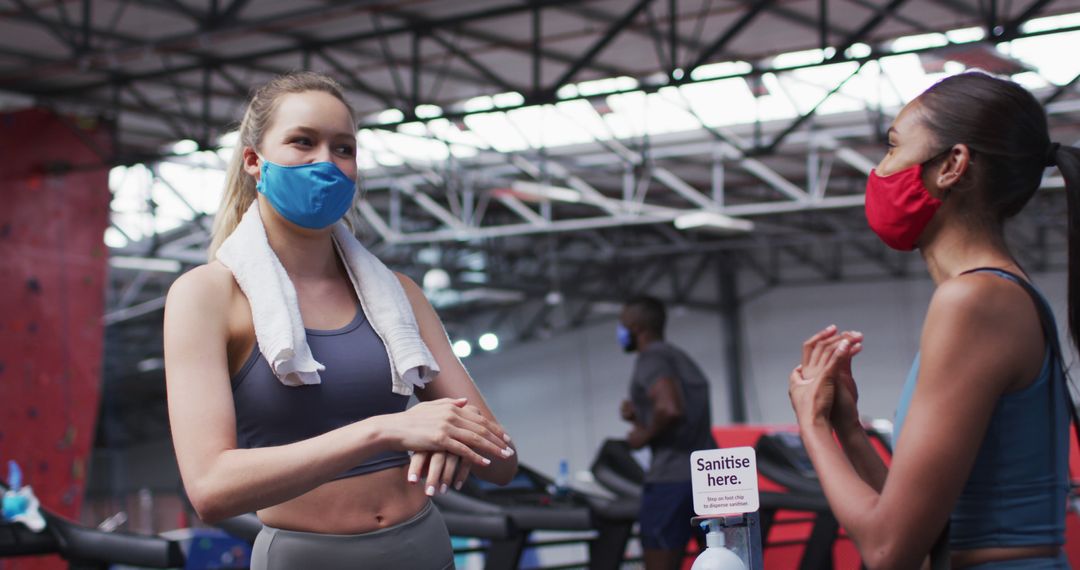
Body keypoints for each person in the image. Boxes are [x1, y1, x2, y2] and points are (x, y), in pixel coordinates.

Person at [163, 72, 517, 569]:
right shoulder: (206, 295)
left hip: (425, 548)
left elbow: (501, 461)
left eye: (343, 148)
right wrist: (387, 431)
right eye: (302, 142)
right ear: (253, 161)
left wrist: (451, 433)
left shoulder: (398, 295)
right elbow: (211, 489)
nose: (326, 161)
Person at [788, 71, 1080, 569]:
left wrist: (810, 423)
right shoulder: (995, 294)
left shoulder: (974, 301)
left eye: (892, 148)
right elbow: (929, 532)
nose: (880, 171)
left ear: (952, 165)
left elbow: (888, 552)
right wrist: (848, 429)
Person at [618, 296, 717, 570]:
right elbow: (682, 413)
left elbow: (670, 408)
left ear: (637, 327)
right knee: (717, 560)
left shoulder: (650, 358)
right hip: (704, 478)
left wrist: (643, 435)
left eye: (622, 325)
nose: (620, 332)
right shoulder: (680, 358)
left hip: (671, 479)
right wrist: (639, 414)